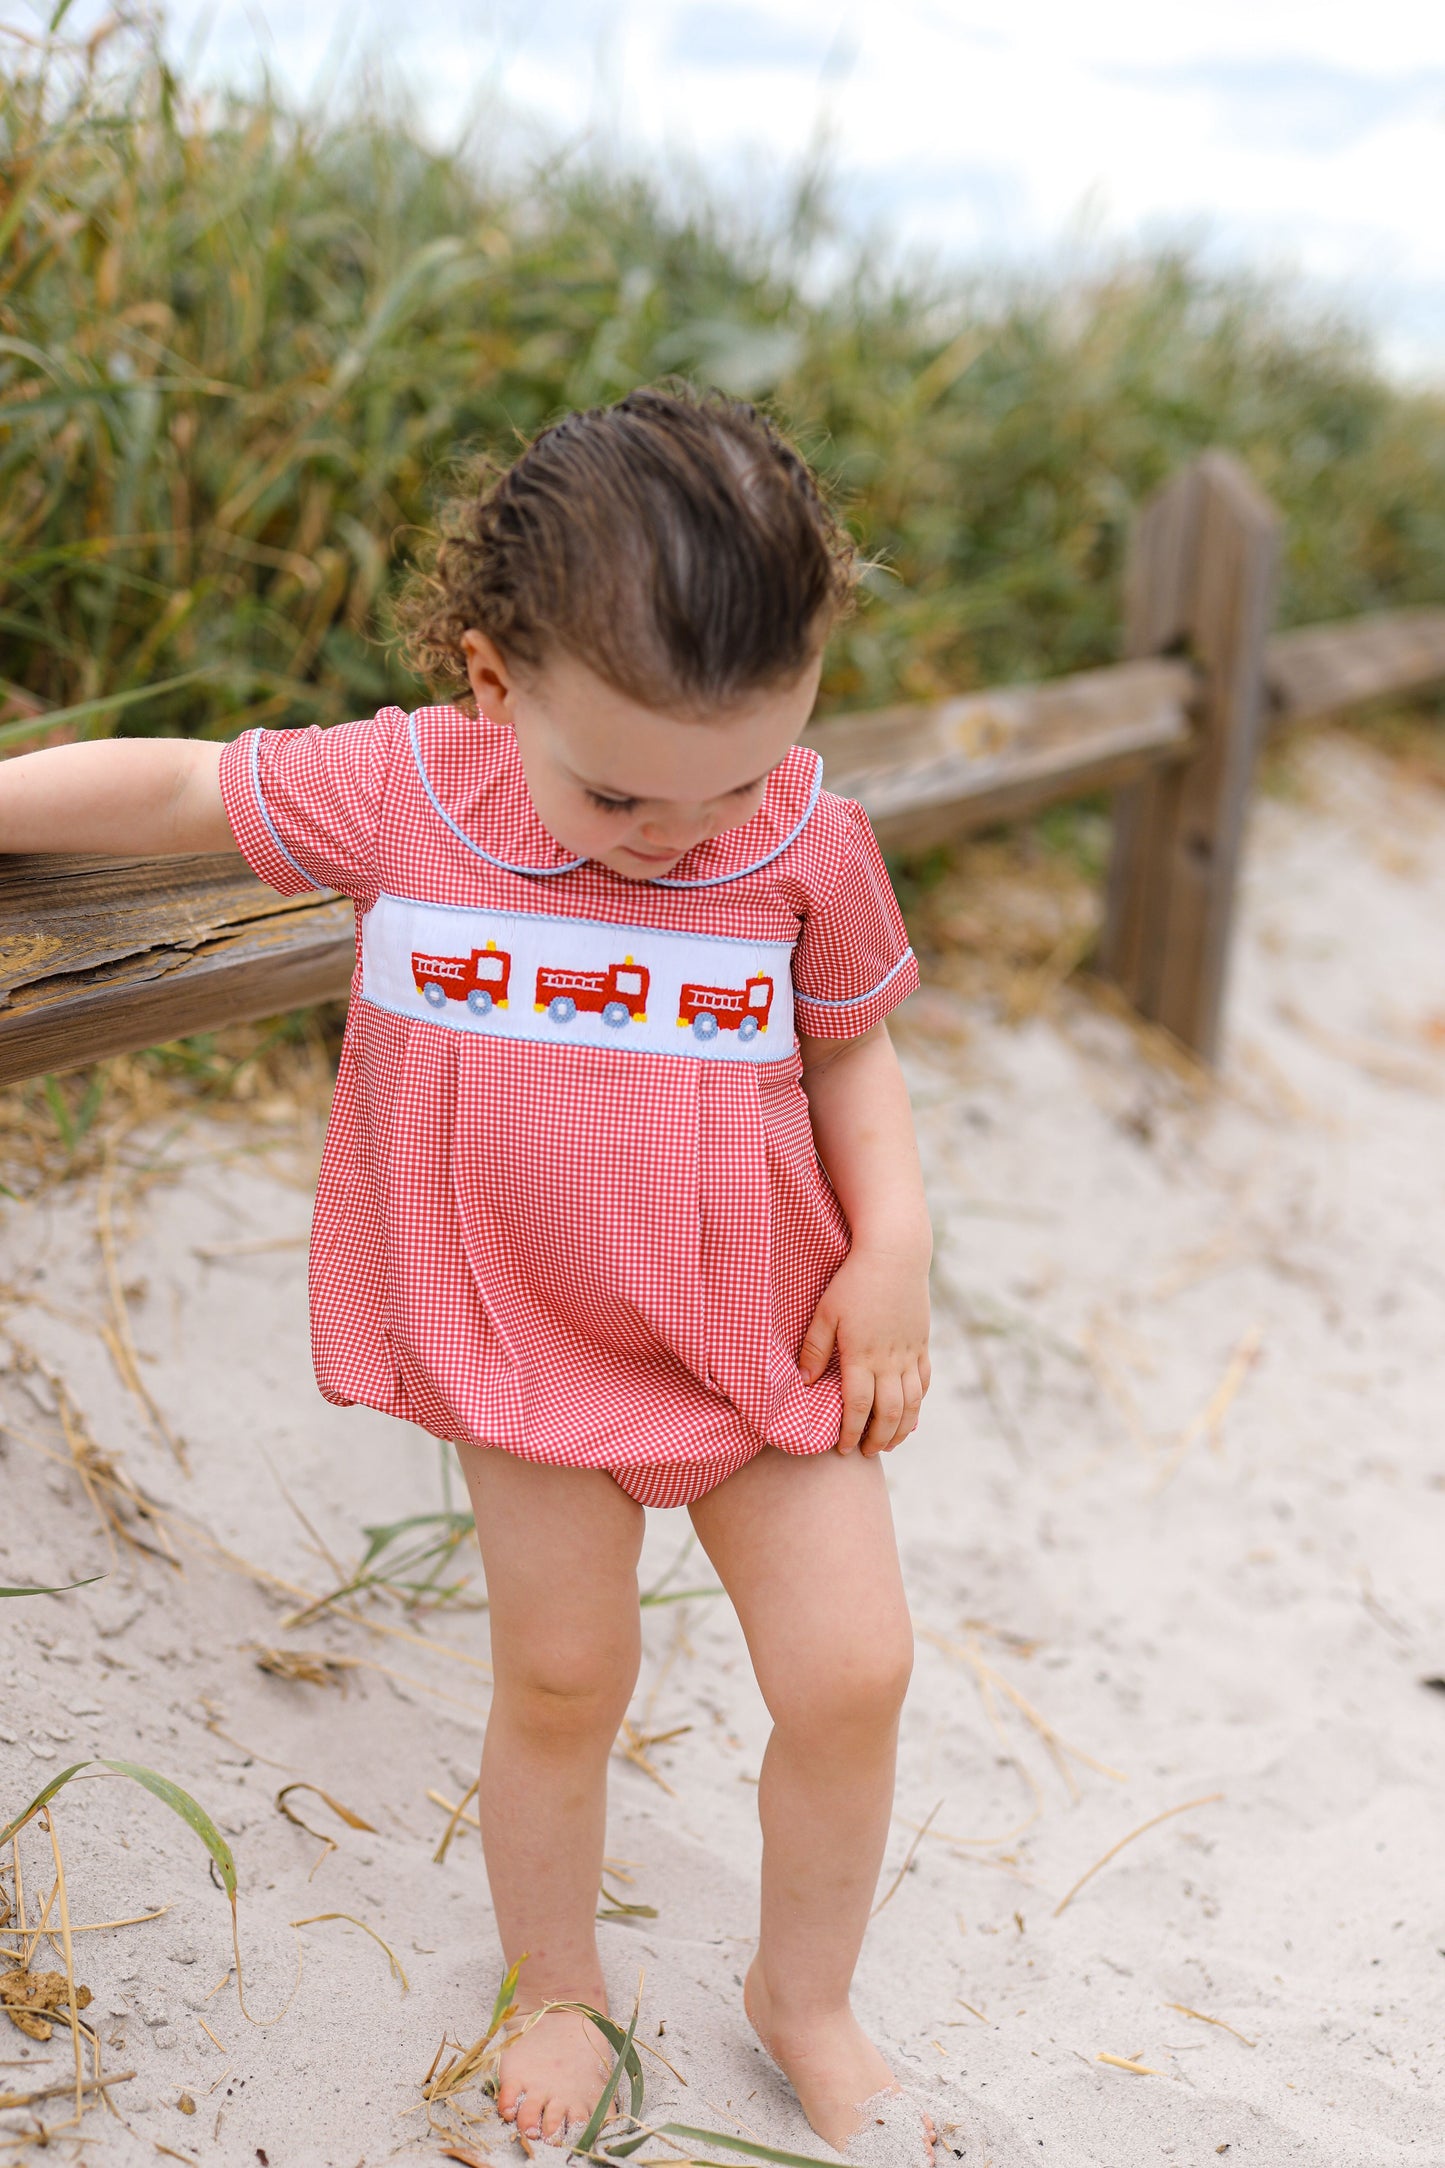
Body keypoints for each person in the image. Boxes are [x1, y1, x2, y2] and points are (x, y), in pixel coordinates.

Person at [0, 388, 935, 2162]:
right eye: (624, 788)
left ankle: (801, 1996)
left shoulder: (803, 841)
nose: (686, 828)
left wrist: (893, 1246)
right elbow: (186, 783)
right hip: (531, 1347)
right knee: (563, 1681)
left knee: (851, 1672)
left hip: (763, 1335)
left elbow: (851, 1061)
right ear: (497, 683)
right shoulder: (413, 791)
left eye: (737, 771)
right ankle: (555, 1983)